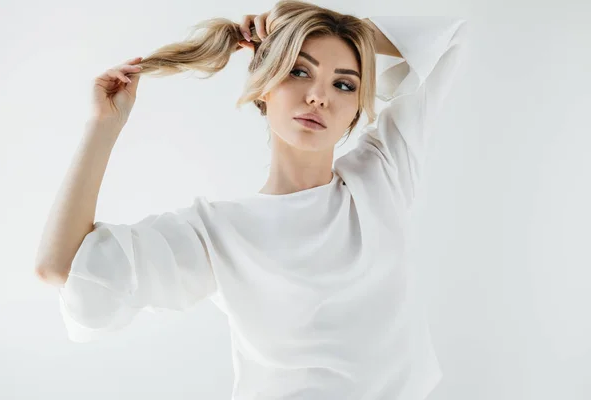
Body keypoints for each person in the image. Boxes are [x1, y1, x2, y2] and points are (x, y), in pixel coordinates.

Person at [34, 1, 469, 398]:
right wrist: (103, 126)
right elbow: (60, 268)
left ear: (357, 108)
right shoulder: (218, 233)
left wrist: (312, 22)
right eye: (299, 71)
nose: (319, 95)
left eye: (343, 83)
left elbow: (449, 36)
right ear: (263, 86)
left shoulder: (382, 176)